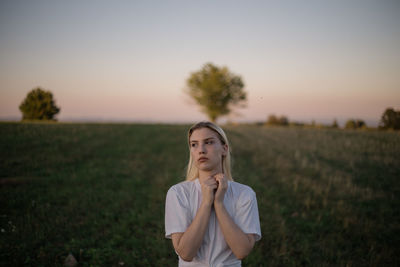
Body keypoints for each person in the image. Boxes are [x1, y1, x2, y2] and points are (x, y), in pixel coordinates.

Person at [165, 121, 261, 266]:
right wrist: (206, 203)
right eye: (194, 144)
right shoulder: (178, 193)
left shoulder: (245, 194)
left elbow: (241, 251)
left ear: (224, 149)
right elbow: (186, 253)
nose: (201, 150)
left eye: (209, 142)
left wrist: (219, 204)